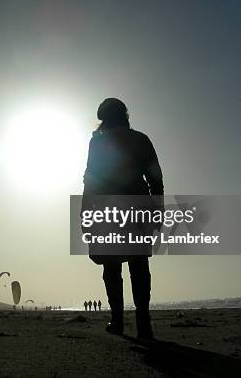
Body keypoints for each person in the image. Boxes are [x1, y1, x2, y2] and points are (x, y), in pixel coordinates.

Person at [83, 98, 163, 340]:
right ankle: (143, 324)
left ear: (103, 119)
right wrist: (157, 209)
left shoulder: (97, 143)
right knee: (139, 266)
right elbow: (156, 179)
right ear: (125, 115)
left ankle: (117, 321)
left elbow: (90, 180)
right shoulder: (141, 138)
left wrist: (86, 212)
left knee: (111, 266)